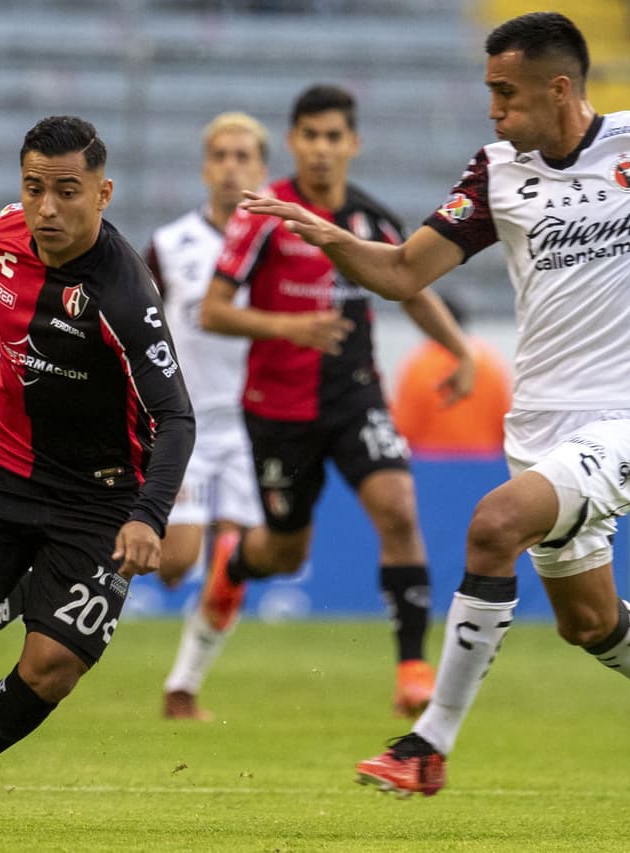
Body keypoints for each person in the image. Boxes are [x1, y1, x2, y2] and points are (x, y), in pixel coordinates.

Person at [242, 12, 630, 798]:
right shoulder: (496, 173)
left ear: (559, 90)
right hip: (544, 427)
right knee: (585, 623)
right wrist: (328, 237)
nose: (494, 111)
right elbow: (401, 274)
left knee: (493, 524)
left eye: (505, 94)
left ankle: (428, 744)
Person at [0, 115, 195, 826]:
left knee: (53, 664)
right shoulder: (3, 238)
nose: (48, 208)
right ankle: (30, 587)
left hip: (100, 495)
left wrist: (148, 514)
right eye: (33, 189)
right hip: (3, 465)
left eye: (67, 191)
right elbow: (9, 234)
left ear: (103, 193)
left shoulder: (126, 299)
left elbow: (176, 418)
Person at [197, 84, 477, 720]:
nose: (322, 149)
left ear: (353, 143)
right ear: (293, 142)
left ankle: (411, 667)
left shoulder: (372, 220)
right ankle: (238, 560)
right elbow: (211, 311)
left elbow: (409, 287)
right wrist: (289, 327)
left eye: (333, 137)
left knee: (398, 509)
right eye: (310, 136)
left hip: (354, 397)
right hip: (278, 406)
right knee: (285, 551)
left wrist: (459, 351)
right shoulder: (263, 215)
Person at [145, 112, 270, 720]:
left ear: (263, 169)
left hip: (253, 426)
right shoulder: (169, 247)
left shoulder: (280, 242)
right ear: (205, 167)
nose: (231, 167)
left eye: (244, 156)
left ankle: (183, 686)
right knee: (175, 566)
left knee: (234, 564)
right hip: (185, 426)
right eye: (221, 155)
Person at [390, 293, 511, 457]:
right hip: (486, 462)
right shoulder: (489, 362)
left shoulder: (420, 364)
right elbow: (505, 421)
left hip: (431, 463)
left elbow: (405, 426)